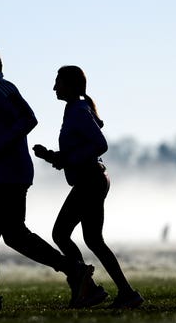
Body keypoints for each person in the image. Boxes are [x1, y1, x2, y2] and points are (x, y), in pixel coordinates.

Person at [0, 48, 95, 310]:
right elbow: (8, 129)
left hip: (4, 178)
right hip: (10, 175)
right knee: (14, 235)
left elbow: (28, 118)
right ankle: (75, 270)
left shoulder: (1, 89)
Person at [33, 65, 144, 309]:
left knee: (61, 234)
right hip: (91, 179)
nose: (54, 87)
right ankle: (123, 292)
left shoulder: (78, 111)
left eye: (58, 82)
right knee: (93, 239)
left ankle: (89, 288)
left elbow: (99, 144)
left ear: (71, 85)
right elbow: (79, 150)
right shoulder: (74, 109)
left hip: (90, 181)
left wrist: (65, 159)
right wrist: (52, 156)